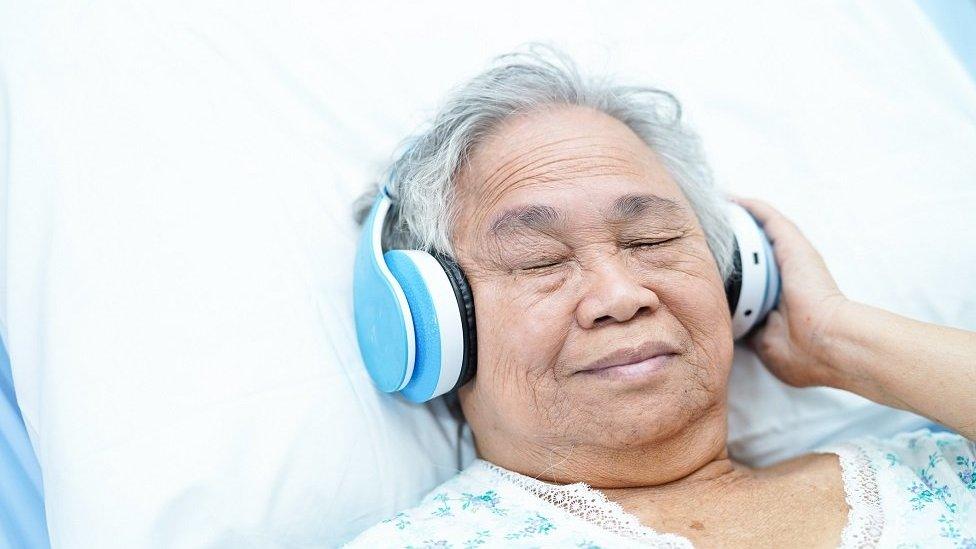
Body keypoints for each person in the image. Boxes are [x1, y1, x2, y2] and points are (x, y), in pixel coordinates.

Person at [348, 46, 976, 548]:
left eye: (651, 239)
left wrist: (838, 340)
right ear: (435, 325)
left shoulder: (937, 473)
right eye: (540, 260)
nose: (620, 296)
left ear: (737, 282)